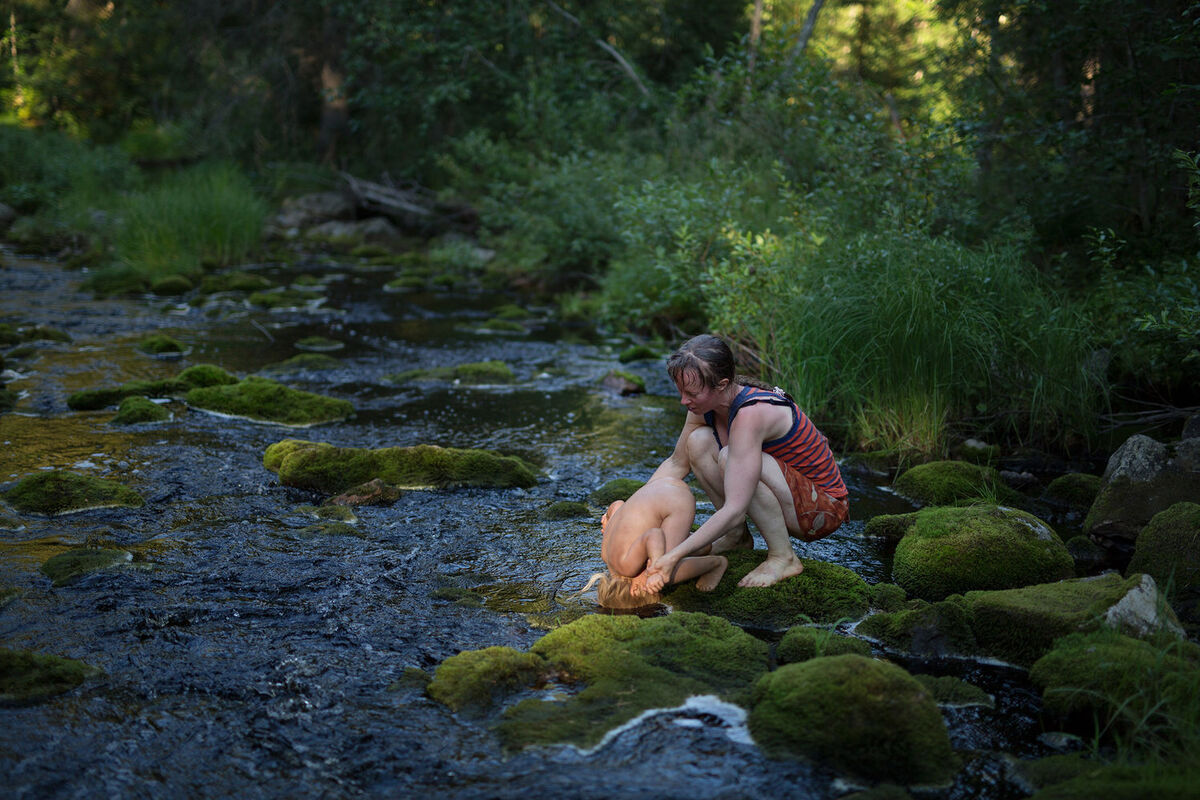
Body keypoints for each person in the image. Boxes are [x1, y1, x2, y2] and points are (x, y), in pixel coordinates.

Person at [644, 334, 848, 589]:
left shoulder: (750, 414)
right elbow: (676, 464)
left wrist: (672, 556)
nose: (684, 401)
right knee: (697, 441)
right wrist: (632, 508)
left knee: (729, 457)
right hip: (788, 494)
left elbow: (735, 508)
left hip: (822, 510)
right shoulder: (703, 407)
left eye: (691, 393)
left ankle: (783, 556)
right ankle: (736, 537)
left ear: (722, 384)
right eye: (681, 391)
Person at [582, 475, 728, 609]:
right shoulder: (606, 555)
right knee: (654, 551)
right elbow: (618, 505)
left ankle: (715, 564)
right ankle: (700, 546)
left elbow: (654, 534)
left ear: (635, 590)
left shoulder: (627, 568)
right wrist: (607, 520)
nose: (657, 590)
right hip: (661, 484)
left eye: (651, 592)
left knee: (664, 571)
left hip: (677, 501)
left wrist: (658, 569)